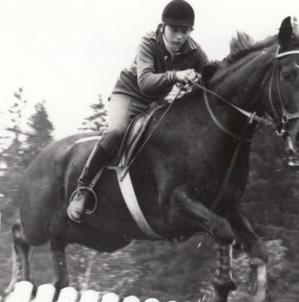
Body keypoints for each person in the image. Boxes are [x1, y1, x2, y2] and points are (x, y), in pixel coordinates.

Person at [67, 0, 210, 222]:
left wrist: (201, 78)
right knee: (116, 131)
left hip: (156, 102)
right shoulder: (147, 42)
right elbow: (145, 82)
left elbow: (209, 75)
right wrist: (176, 75)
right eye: (174, 30)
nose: (179, 37)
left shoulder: (194, 50)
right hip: (129, 94)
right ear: (163, 27)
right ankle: (83, 187)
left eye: (185, 31)